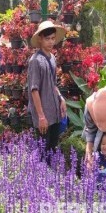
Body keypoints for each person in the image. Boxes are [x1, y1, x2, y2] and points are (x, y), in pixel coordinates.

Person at [27, 21, 67, 155]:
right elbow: (34, 90)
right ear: (40, 39)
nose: (51, 42)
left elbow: (54, 84)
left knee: (52, 148)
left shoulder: (52, 58)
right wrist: (41, 117)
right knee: (42, 151)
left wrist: (61, 99)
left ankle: (52, 175)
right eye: (47, 38)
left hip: (54, 112)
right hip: (43, 115)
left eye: (53, 38)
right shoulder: (35, 61)